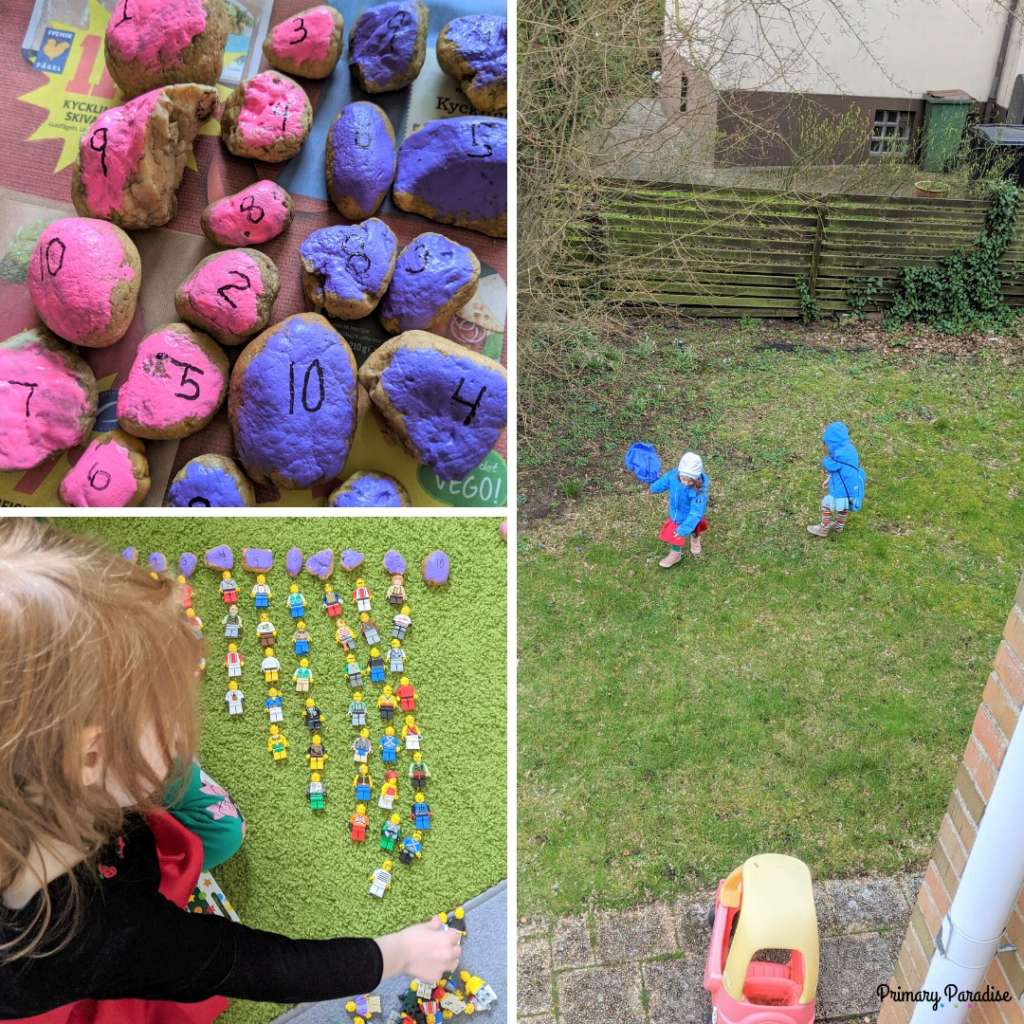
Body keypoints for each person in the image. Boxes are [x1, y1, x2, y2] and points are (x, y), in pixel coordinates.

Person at [0, 521, 461, 1022]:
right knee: (215, 850)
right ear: (91, 758)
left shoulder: (39, 769)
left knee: (211, 826)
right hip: (100, 952)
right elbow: (259, 965)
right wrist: (400, 953)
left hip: (94, 827)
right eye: (169, 717)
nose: (186, 723)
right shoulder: (105, 935)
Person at [649, 451, 709, 569]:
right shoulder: (673, 476)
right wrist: (653, 487)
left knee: (694, 528)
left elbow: (695, 513)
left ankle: (695, 539)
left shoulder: (699, 492)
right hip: (676, 515)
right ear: (679, 473)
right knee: (674, 535)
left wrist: (684, 529)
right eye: (683, 478)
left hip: (691, 516)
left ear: (696, 479)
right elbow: (663, 482)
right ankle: (676, 554)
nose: (685, 483)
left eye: (690, 480)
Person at [807, 421, 865, 539]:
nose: (825, 447)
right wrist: (829, 479)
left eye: (826, 444)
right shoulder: (850, 450)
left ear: (832, 443)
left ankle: (823, 528)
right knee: (844, 507)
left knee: (826, 504)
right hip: (851, 488)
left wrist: (826, 459)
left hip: (841, 491)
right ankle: (839, 526)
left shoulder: (838, 454)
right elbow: (842, 470)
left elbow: (831, 466)